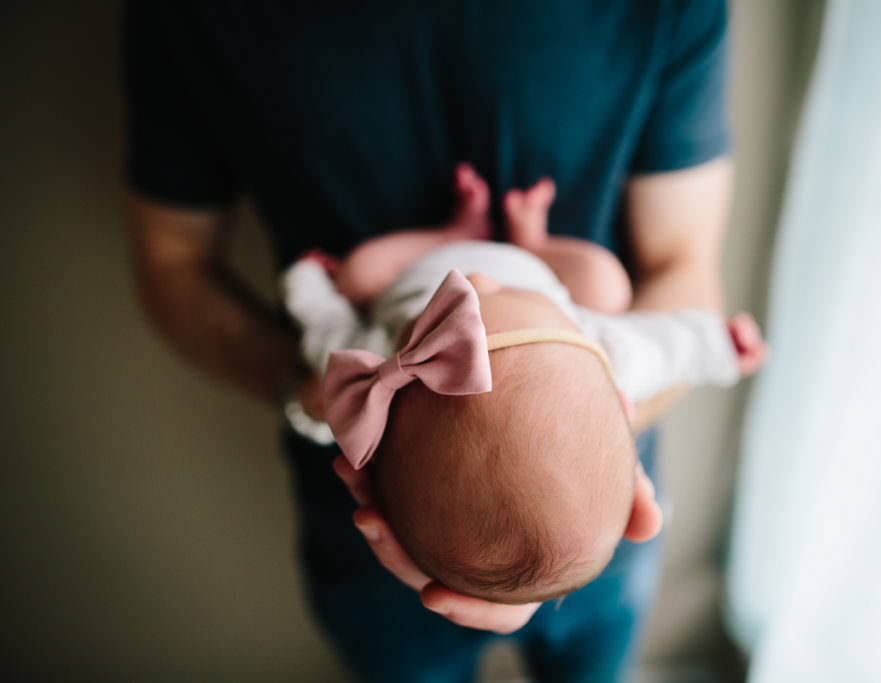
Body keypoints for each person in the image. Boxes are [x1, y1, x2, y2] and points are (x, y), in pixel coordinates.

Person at [123, 1, 739, 679]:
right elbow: (175, 265)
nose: (473, 280)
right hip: (374, 507)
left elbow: (681, 267)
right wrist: (312, 392)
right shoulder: (193, 17)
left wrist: (605, 434)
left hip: (596, 514)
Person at [280, 166, 763, 605]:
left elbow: (325, 334)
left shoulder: (380, 361)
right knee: (605, 283)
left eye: (490, 293)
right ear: (621, 400)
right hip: (539, 267)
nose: (478, 278)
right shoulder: (598, 348)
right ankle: (534, 240)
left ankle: (453, 232)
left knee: (358, 273)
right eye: (503, 296)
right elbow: (662, 348)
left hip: (420, 263)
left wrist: (306, 287)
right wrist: (718, 346)